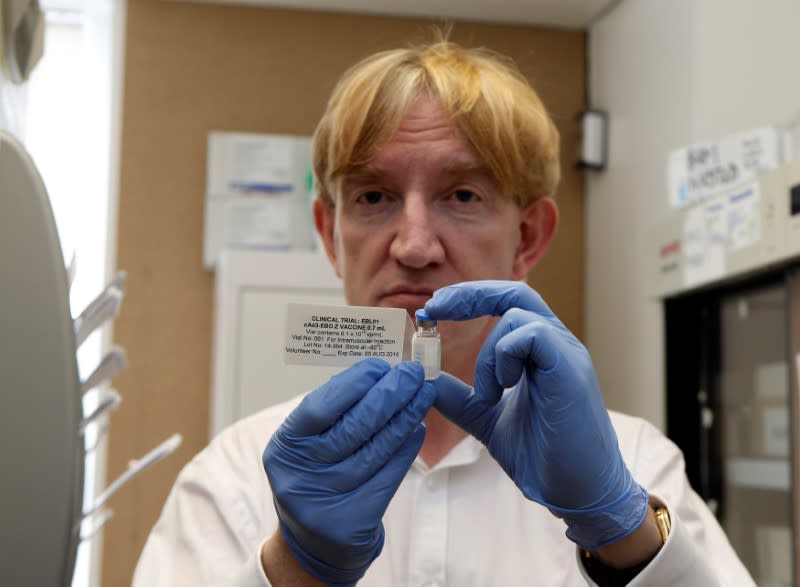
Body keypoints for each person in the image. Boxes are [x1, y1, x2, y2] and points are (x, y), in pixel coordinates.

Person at [134, 40, 754, 586]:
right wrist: (296, 568)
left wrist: (621, 532)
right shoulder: (233, 480)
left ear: (528, 237)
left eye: (462, 195)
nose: (413, 245)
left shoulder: (633, 464)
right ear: (330, 235)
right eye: (373, 197)